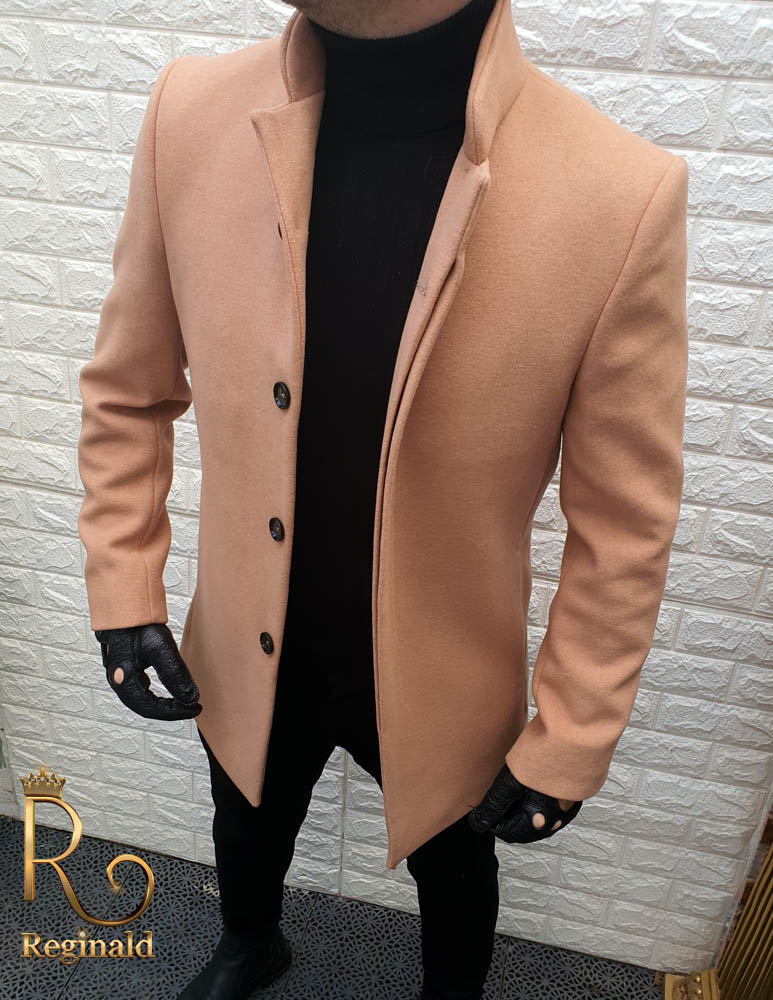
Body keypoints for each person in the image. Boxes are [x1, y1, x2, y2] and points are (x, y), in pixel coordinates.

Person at [76, 0, 689, 997]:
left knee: (455, 867)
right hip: (250, 630)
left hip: (443, 663)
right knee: (244, 815)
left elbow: (622, 523)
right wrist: (123, 583)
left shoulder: (618, 192)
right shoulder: (187, 113)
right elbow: (127, 388)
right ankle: (250, 942)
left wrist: (571, 733)